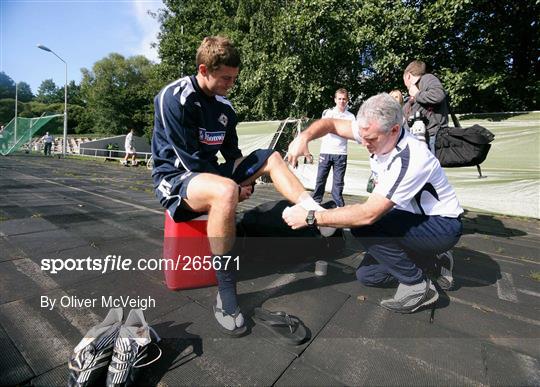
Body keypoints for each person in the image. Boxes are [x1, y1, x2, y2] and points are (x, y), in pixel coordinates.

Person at [151, 36, 335, 335]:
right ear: (203, 69)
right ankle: (225, 295)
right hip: (175, 179)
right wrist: (232, 187)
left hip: (211, 173)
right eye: (225, 78)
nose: (230, 85)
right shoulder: (174, 97)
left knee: (271, 157)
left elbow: (233, 154)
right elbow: (188, 163)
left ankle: (315, 212)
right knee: (224, 191)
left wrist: (244, 178)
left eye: (234, 78)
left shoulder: (225, 105)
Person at [283, 93, 463, 313]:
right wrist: (304, 137)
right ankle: (433, 261)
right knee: (367, 276)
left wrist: (312, 217)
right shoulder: (374, 131)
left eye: (371, 139)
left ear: (395, 130)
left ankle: (418, 286)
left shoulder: (410, 158)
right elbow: (330, 123)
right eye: (362, 136)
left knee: (364, 224)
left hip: (440, 226)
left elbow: (367, 214)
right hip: (407, 218)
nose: (364, 143)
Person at [312, 88, 355, 207]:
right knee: (320, 179)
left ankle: (338, 205)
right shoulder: (328, 113)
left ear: (347, 100)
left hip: (341, 153)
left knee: (338, 182)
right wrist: (340, 129)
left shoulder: (351, 117)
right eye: (339, 99)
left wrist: (333, 128)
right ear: (335, 100)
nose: (342, 101)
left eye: (344, 99)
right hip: (326, 152)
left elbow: (351, 133)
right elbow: (323, 128)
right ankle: (315, 202)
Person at [402, 60, 450, 152]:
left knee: (429, 166)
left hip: (431, 137)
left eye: (404, 80)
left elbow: (438, 95)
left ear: (408, 76)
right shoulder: (417, 89)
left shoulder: (427, 78)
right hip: (419, 138)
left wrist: (416, 94)